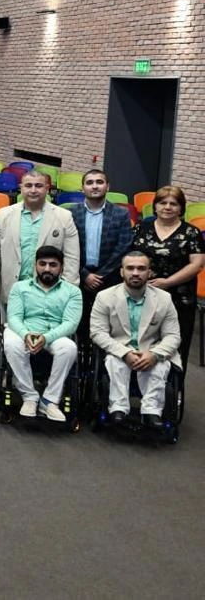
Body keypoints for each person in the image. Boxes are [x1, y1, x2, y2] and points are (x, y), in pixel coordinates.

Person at [91, 251, 181, 426]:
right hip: (119, 348)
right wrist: (125, 353)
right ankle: (118, 408)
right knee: (115, 362)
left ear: (149, 272)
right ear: (121, 271)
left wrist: (154, 354)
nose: (135, 273)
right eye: (130, 268)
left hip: (151, 349)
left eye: (141, 268)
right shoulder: (104, 297)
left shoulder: (164, 299)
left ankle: (152, 411)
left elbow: (173, 335)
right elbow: (97, 332)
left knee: (160, 365)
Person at [127, 185, 204, 364]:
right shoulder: (141, 228)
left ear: (181, 208)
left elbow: (197, 264)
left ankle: (173, 382)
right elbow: (129, 256)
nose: (167, 207)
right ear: (155, 206)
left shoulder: (191, 233)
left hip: (179, 296)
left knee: (175, 346)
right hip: (142, 294)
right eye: (163, 203)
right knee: (141, 343)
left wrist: (168, 282)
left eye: (173, 204)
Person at [4, 245, 81, 422]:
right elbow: (14, 317)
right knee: (10, 343)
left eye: (53, 265)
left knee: (69, 348)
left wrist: (46, 338)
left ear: (61, 267)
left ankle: (49, 400)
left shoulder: (73, 292)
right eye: (42, 264)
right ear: (35, 265)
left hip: (55, 334)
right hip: (24, 331)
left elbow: (70, 324)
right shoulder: (19, 287)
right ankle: (29, 396)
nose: (47, 269)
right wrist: (25, 334)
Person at [0, 170, 80, 305]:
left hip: (50, 290)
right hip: (12, 287)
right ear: (21, 188)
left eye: (38, 186)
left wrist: (68, 287)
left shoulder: (64, 216)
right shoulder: (4, 214)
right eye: (28, 185)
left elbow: (72, 256)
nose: (33, 190)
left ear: (47, 189)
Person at [68, 168, 134, 334]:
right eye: (89, 183)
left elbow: (124, 247)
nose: (95, 186)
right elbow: (66, 247)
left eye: (99, 182)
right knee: (80, 326)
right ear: (82, 188)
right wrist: (85, 274)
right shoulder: (70, 213)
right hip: (78, 277)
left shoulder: (121, 214)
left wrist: (100, 275)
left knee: (108, 326)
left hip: (110, 279)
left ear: (107, 186)